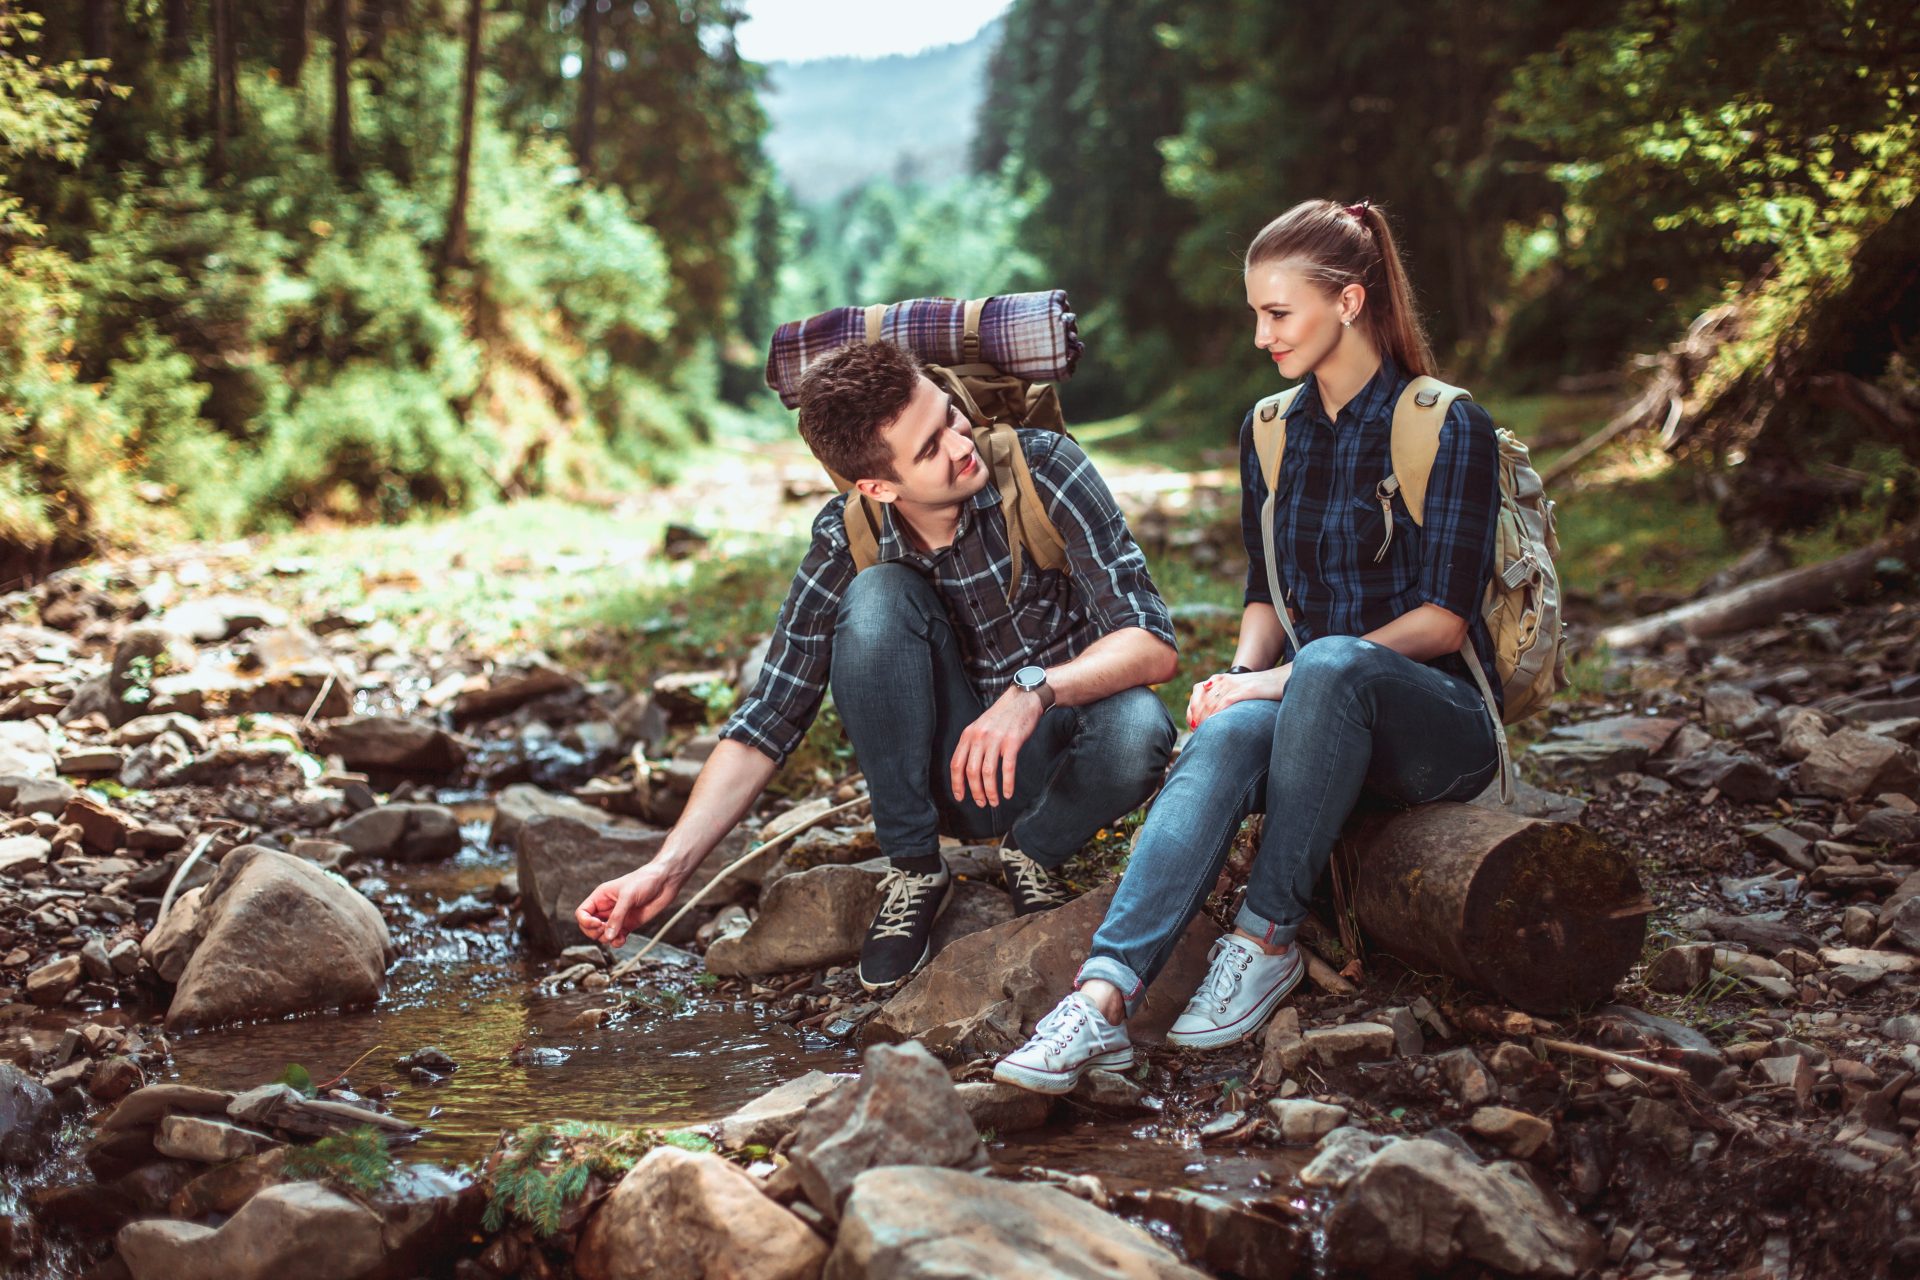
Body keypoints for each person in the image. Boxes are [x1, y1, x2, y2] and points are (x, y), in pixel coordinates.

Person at [994, 199, 1505, 1094]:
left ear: (1348, 302)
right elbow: (1267, 590)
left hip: (1438, 725)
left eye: (1279, 313)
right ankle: (1101, 1001)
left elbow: (1443, 623)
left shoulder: (1445, 423)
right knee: (1227, 732)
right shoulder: (1267, 430)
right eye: (1255, 314)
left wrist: (1274, 679)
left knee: (1336, 663)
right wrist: (1238, 677)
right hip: (1310, 714)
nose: (1261, 335)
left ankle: (1264, 938)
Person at [576, 338, 1180, 991]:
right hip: (943, 782)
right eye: (928, 448)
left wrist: (1033, 692)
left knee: (1139, 727)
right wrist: (664, 870)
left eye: (950, 416)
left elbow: (1149, 640)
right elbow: (769, 717)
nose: (960, 444)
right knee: (876, 598)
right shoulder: (847, 535)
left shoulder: (1044, 469)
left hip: (1057, 758)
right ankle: (916, 867)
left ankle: (1033, 850)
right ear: (877, 485)